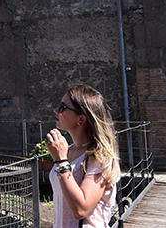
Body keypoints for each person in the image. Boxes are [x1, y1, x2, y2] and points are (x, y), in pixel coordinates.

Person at [44, 84, 120, 228]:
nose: (55, 111)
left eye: (62, 108)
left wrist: (60, 161)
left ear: (81, 119)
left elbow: (81, 209)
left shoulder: (99, 158)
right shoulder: (69, 152)